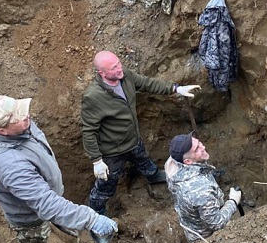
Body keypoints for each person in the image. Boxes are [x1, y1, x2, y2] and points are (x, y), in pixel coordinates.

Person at [0, 95, 117, 243]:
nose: (26, 116)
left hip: (44, 199)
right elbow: (47, 204)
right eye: (19, 118)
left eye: (22, 112)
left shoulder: (21, 127)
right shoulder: (10, 165)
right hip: (29, 218)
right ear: (2, 131)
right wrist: (92, 219)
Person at [81, 50, 200, 214]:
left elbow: (148, 83)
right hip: (112, 152)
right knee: (106, 185)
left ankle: (152, 176)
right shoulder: (93, 96)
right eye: (114, 67)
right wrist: (96, 161)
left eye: (119, 63)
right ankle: (95, 215)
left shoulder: (125, 76)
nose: (119, 68)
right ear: (102, 73)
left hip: (133, 139)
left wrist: (175, 89)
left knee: (144, 159)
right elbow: (88, 131)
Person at [165, 133, 241, 243]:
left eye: (198, 142)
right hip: (206, 237)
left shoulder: (173, 164)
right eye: (196, 149)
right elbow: (216, 223)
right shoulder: (201, 190)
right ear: (188, 162)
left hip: (191, 224)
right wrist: (233, 201)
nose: (203, 147)